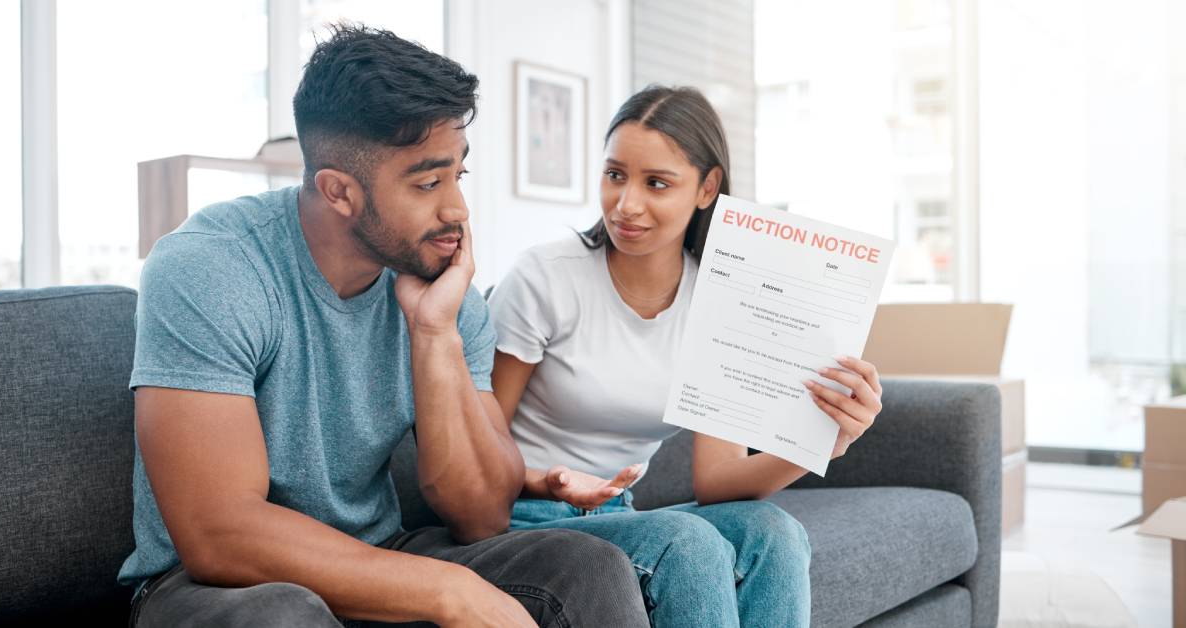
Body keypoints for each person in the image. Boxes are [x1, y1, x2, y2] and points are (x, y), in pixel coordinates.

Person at [120, 25, 652, 627]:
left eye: (458, 175)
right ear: (339, 192)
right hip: (209, 589)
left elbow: (480, 517)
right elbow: (220, 534)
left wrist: (434, 335)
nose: (457, 209)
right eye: (428, 183)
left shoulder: (443, 287)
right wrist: (446, 591)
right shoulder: (212, 267)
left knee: (585, 567)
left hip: (381, 555)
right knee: (284, 615)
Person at [489, 85, 886, 627]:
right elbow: (477, 452)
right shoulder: (544, 278)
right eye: (614, 175)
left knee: (774, 534)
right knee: (686, 543)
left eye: (656, 183)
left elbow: (717, 481)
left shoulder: (718, 297)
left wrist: (825, 441)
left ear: (707, 188)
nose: (626, 203)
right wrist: (548, 480)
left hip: (615, 518)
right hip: (520, 520)